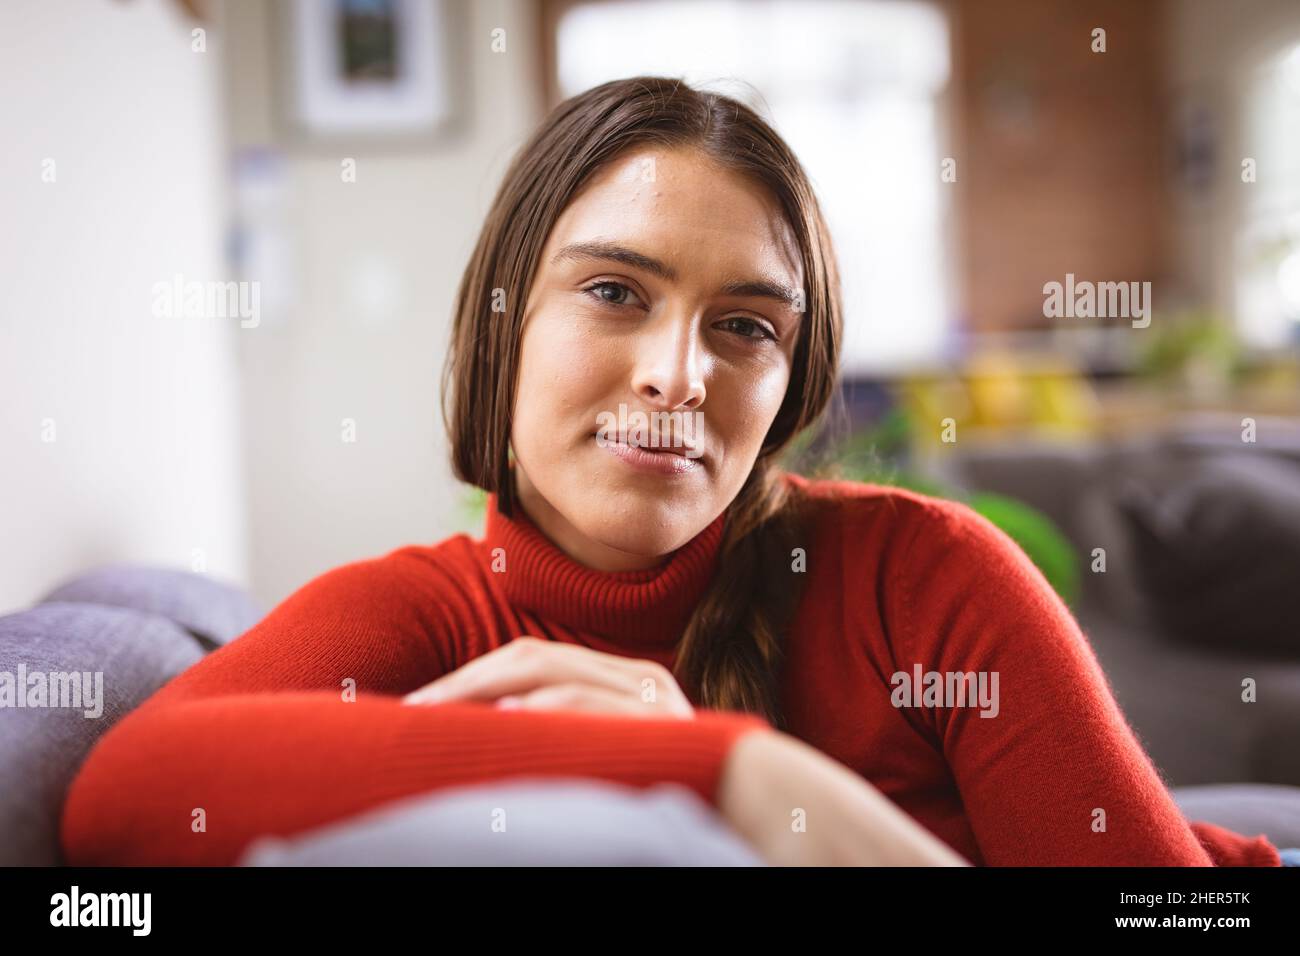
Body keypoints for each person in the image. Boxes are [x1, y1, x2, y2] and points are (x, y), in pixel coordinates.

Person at [61, 77, 1281, 867]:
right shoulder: (426, 610)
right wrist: (728, 770)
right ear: (503, 326)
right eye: (613, 292)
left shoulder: (922, 576)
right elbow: (125, 793)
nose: (678, 374)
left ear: (789, 383)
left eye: (745, 324)